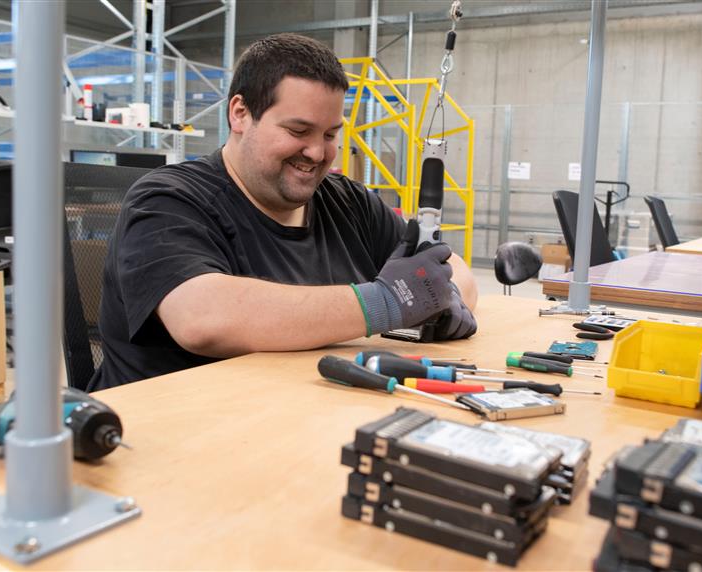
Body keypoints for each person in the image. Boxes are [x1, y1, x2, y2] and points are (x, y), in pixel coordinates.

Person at [89, 33, 478, 391]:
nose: (317, 152)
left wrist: (445, 295)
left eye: (329, 135)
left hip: (296, 421)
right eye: (298, 131)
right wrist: (386, 303)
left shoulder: (349, 202)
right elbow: (201, 318)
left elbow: (447, 266)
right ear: (240, 113)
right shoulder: (168, 199)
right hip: (168, 436)